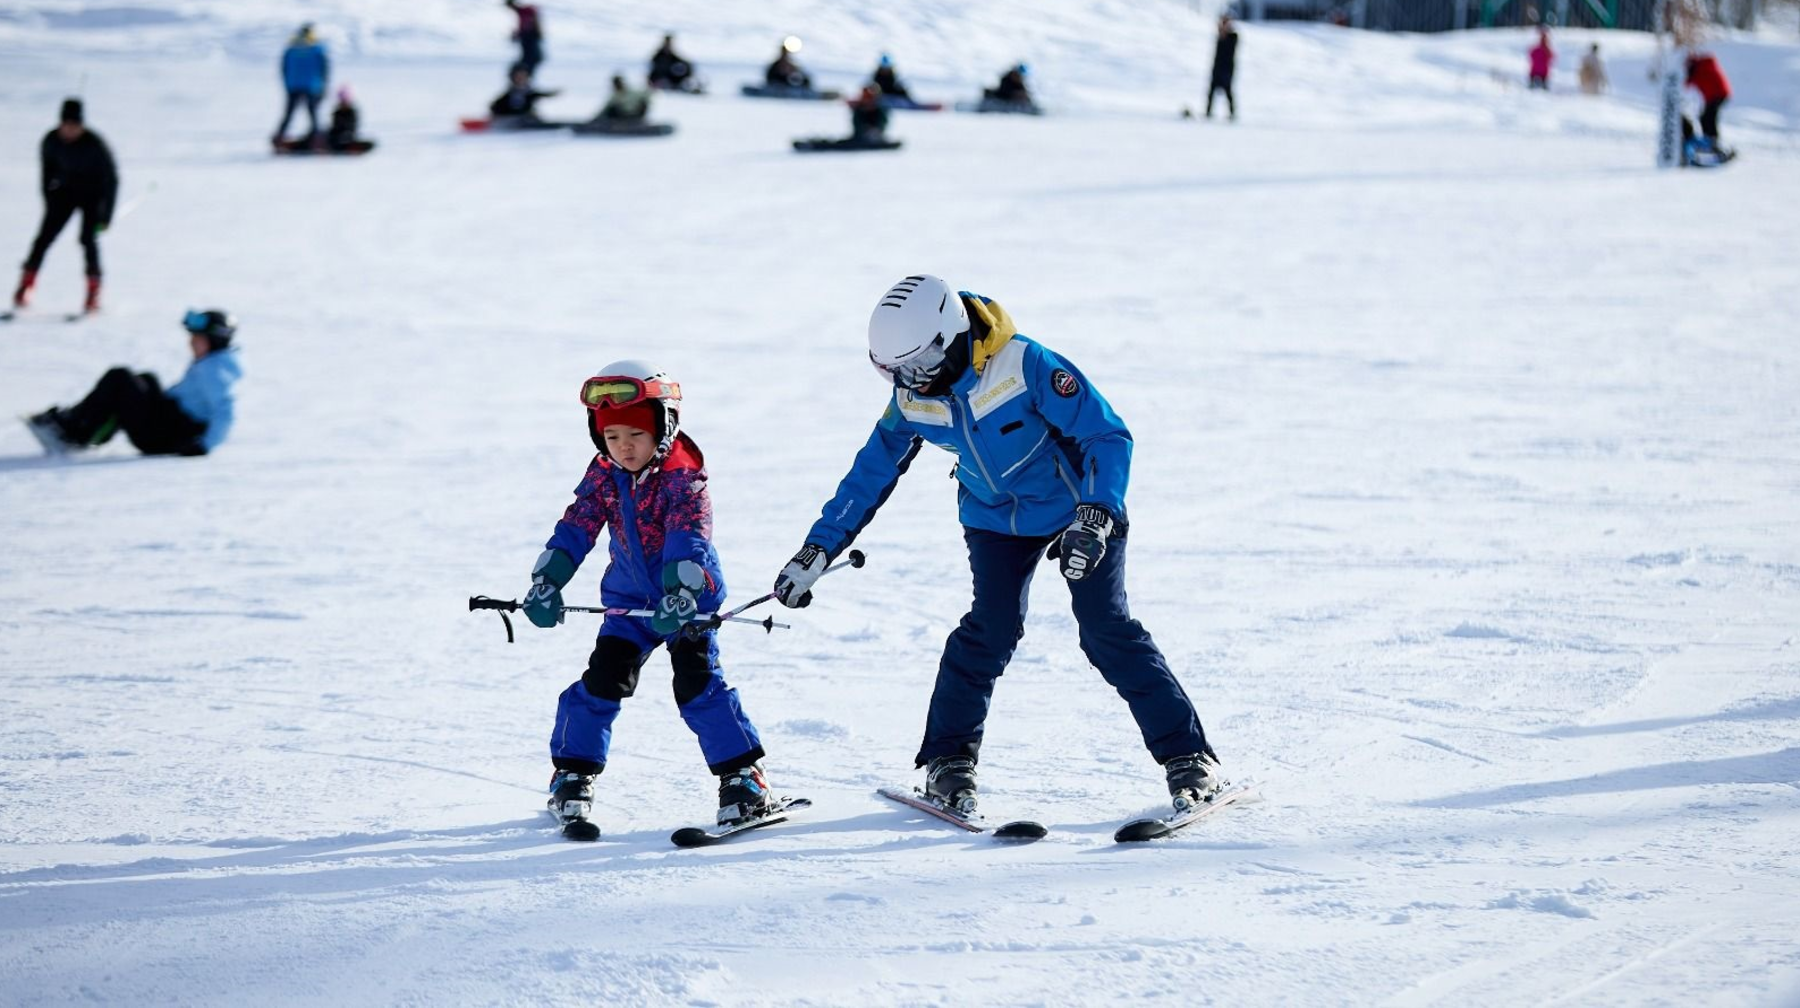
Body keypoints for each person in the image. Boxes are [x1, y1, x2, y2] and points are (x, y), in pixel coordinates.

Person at [772, 275, 1224, 818]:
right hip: (994, 519)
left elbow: (1106, 435)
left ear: (950, 337)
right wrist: (816, 550)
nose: (912, 381)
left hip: (1079, 509)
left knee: (1106, 629)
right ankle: (948, 762)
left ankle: (1189, 757)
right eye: (895, 371)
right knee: (989, 631)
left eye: (920, 364)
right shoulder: (912, 396)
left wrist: (1097, 513)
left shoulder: (1024, 365)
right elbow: (871, 472)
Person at [527, 360, 776, 839]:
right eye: (612, 435)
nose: (624, 446)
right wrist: (549, 578)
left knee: (698, 686)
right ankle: (572, 773)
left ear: (664, 429)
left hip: (688, 602)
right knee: (603, 682)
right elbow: (578, 524)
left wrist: (682, 591)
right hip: (629, 604)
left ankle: (743, 778)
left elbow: (689, 537)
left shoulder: (683, 476)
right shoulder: (605, 472)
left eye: (636, 435)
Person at [25, 309, 241, 457]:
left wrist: (204, 446)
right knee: (147, 379)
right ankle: (83, 427)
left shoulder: (214, 371)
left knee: (121, 378)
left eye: (197, 339)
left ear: (215, 340)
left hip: (165, 437)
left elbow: (226, 410)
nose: (190, 343)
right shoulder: (212, 363)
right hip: (170, 425)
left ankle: (73, 433)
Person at [14, 98, 117, 314]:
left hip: (92, 195)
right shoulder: (51, 141)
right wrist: (49, 200)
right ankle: (26, 284)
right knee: (43, 239)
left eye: (75, 125)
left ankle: (93, 290)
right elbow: (46, 174)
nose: (70, 130)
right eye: (66, 125)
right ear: (60, 123)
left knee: (87, 240)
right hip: (65, 194)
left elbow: (111, 180)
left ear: (81, 125)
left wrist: (106, 215)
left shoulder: (95, 144)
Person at [275, 23, 330, 144]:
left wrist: (287, 84)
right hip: (311, 85)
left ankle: (279, 137)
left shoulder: (290, 49)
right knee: (313, 113)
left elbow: (283, 68)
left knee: (289, 113)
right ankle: (317, 139)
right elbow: (324, 69)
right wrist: (324, 86)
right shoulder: (317, 49)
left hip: (293, 85)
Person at [1684, 50, 1731, 151]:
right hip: (1715, 95)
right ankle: (1710, 141)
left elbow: (1687, 83)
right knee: (1705, 117)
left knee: (1709, 118)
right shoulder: (1703, 66)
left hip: (1717, 95)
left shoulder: (1700, 69)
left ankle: (1712, 143)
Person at [489, 66, 560, 119]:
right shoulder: (507, 96)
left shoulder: (530, 94)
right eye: (518, 76)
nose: (520, 79)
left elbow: (540, 95)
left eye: (523, 76)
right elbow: (494, 107)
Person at [1206, 15, 1238, 120]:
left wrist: (1224, 31)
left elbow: (1229, 49)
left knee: (1228, 92)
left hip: (1227, 70)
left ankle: (1232, 113)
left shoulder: (1233, 36)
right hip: (1217, 69)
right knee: (1211, 92)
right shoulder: (1220, 36)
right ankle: (1208, 112)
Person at [503, 0, 545, 78]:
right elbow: (523, 26)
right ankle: (523, 78)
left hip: (530, 38)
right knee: (529, 59)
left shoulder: (526, 10)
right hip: (527, 38)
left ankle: (525, 78)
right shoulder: (521, 12)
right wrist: (517, 34)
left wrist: (538, 30)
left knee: (531, 59)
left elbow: (531, 21)